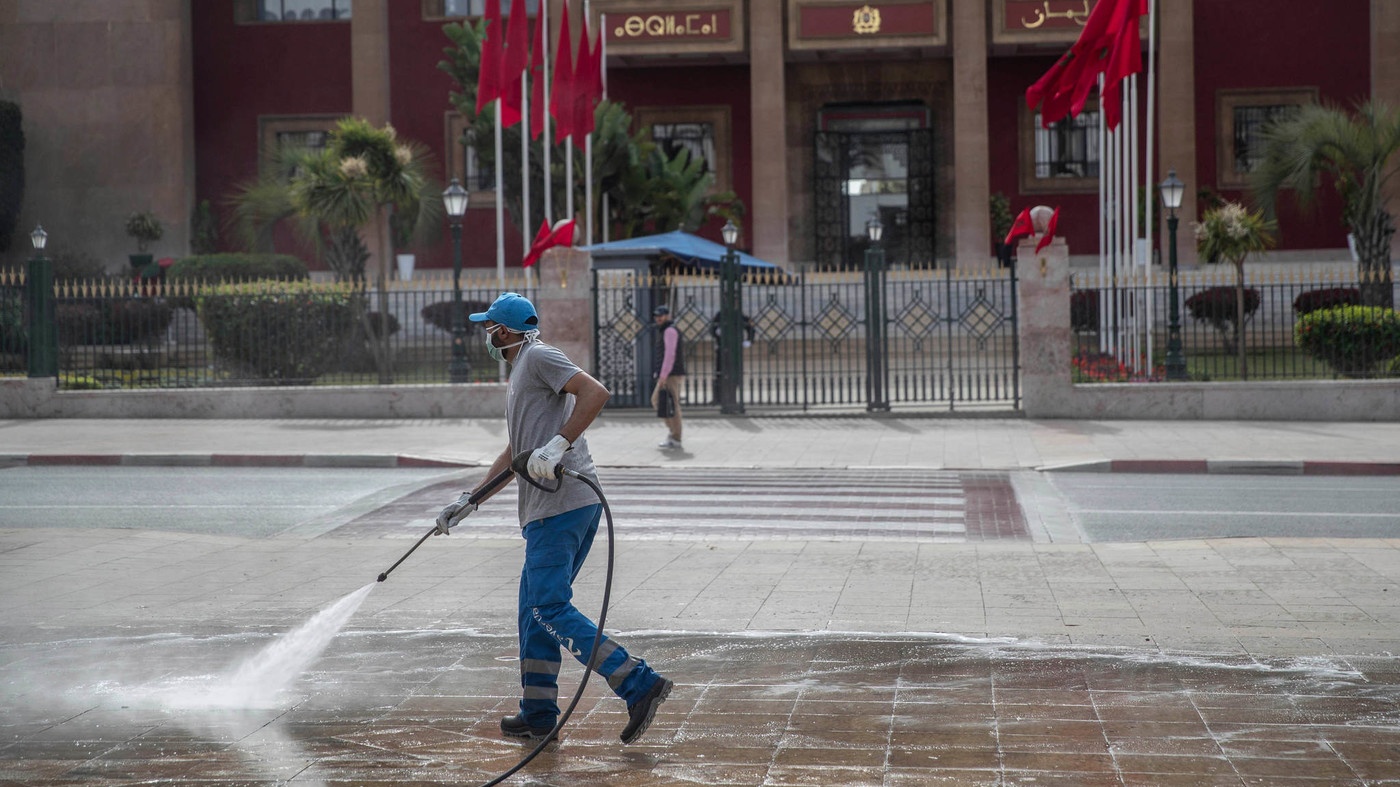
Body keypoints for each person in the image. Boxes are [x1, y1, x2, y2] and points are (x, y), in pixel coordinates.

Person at [435, 292, 673, 745]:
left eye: (488, 327)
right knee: (533, 613)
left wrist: (559, 444)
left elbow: (595, 392)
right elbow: (515, 453)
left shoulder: (538, 356)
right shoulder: (522, 373)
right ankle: (538, 714)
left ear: (502, 332)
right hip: (558, 507)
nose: (486, 335)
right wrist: (472, 500)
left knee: (548, 608)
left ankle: (639, 682)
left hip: (560, 507)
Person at [650, 305, 686, 450]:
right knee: (661, 402)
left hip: (671, 375)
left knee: (671, 405)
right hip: (668, 374)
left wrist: (663, 375)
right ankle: (673, 434)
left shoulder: (670, 331)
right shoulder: (665, 330)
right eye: (657, 315)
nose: (659, 318)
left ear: (668, 315)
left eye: (662, 315)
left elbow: (670, 355)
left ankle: (676, 437)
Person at [709, 310, 755, 403]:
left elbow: (750, 327)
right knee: (720, 372)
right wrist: (716, 332)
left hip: (735, 349)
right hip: (722, 347)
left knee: (734, 373)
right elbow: (712, 328)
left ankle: (731, 397)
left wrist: (749, 340)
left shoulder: (739, 315)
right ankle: (718, 398)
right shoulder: (720, 314)